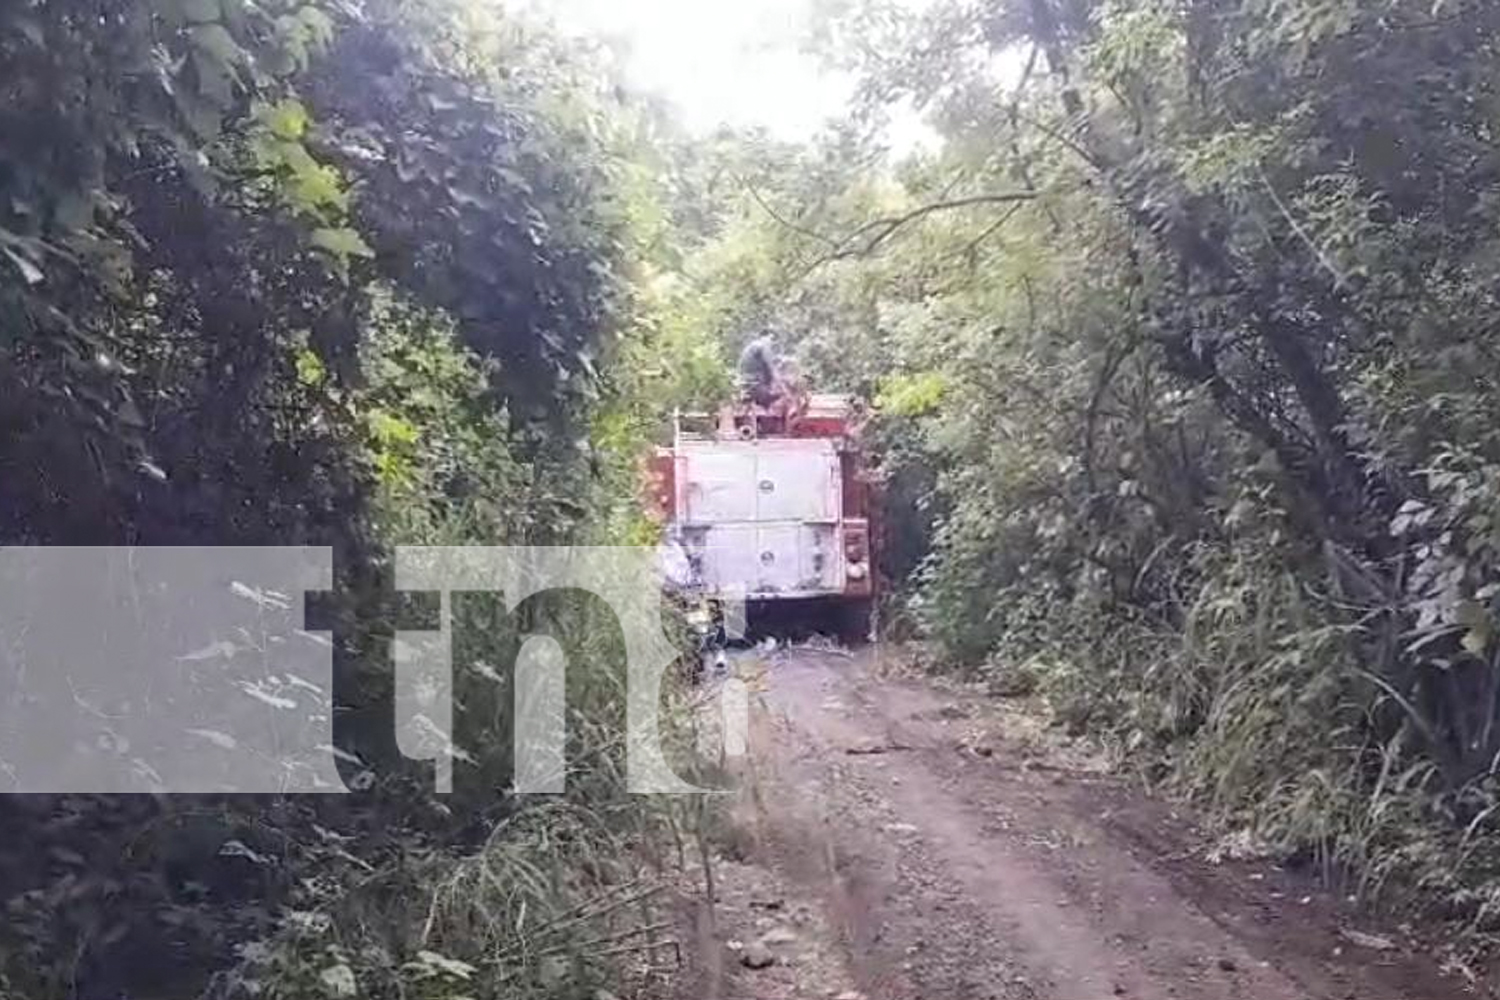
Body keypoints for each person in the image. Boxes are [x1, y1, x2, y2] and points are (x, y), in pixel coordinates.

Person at [737, 332, 780, 408]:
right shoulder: (762, 346)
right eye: (771, 339)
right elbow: (771, 367)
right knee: (780, 395)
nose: (772, 342)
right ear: (763, 337)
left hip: (745, 384)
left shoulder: (750, 347)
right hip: (756, 385)